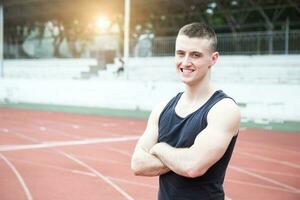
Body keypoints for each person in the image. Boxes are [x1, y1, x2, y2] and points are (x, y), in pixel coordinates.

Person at [131, 22, 240, 200]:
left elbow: (193, 167)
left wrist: (159, 148)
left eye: (195, 55)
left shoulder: (223, 109)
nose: (185, 62)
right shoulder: (162, 109)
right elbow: (138, 164)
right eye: (180, 53)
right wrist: (184, 157)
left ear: (213, 59)